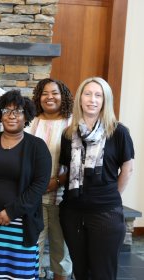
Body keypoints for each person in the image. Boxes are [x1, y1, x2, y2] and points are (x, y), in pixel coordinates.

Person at [0, 89, 51, 279]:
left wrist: (11, 212)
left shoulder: (37, 147)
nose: (12, 116)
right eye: (6, 111)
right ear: (0, 114)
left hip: (20, 225)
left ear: (26, 116)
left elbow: (39, 185)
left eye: (18, 111)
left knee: (17, 273)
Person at [58, 77, 134, 280]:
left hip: (106, 213)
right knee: (81, 272)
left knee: (103, 274)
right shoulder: (68, 134)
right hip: (72, 212)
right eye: (88, 94)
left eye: (98, 95)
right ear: (80, 99)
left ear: (105, 100)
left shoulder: (118, 132)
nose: (92, 99)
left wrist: (109, 196)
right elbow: (67, 170)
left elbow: (127, 169)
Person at [25, 78, 73, 280]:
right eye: (45, 93)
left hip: (63, 198)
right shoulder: (31, 121)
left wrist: (58, 181)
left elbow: (79, 163)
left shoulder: (71, 123)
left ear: (63, 96)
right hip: (33, 198)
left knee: (60, 251)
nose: (50, 97)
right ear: (38, 97)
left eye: (55, 92)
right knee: (32, 248)